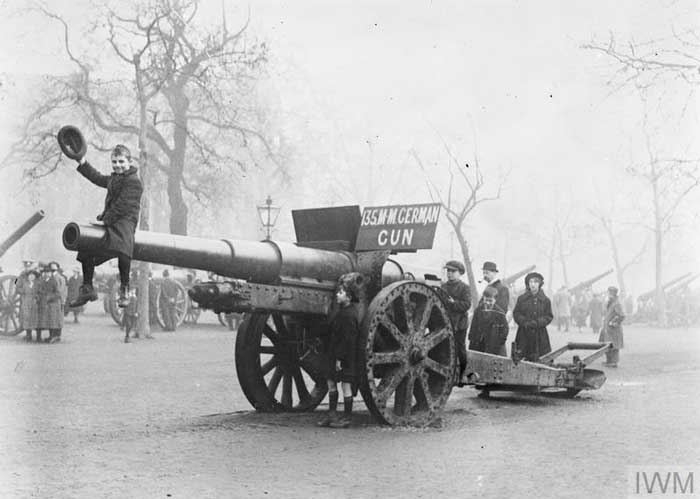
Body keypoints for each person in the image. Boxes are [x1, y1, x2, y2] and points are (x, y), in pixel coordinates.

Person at [69, 144, 143, 309]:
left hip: (125, 220)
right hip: (110, 220)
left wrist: (104, 221)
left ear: (129, 162)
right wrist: (82, 161)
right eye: (114, 162)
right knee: (86, 245)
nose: (117, 165)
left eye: (121, 162)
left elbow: (122, 206)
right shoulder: (114, 178)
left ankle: (125, 288)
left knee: (124, 246)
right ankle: (87, 288)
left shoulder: (134, 181)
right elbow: (97, 178)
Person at [317, 276, 361, 429]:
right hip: (334, 354)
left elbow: (348, 341)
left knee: (346, 387)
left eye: (340, 293)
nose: (337, 294)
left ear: (348, 297)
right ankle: (332, 414)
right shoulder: (341, 312)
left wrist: (340, 359)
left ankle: (347, 418)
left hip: (344, 357)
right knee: (331, 383)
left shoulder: (349, 315)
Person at [440, 260, 471, 385]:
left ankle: (462, 375)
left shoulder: (465, 288)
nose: (450, 274)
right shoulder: (443, 287)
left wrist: (453, 304)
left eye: (453, 271)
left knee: (460, 350)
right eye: (448, 271)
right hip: (446, 322)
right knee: (444, 349)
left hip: (459, 324)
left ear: (460, 273)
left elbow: (466, 305)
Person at [513, 272, 553, 362]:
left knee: (541, 360)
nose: (533, 284)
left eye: (535, 282)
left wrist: (538, 323)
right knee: (521, 359)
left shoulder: (546, 300)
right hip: (523, 334)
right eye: (530, 282)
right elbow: (516, 313)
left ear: (539, 284)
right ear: (528, 284)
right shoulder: (521, 299)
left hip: (540, 335)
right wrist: (524, 322)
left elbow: (548, 316)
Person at [468, 286, 509, 356]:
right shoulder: (478, 310)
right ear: (483, 298)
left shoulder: (500, 313)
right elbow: (473, 326)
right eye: (486, 300)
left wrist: (499, 342)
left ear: (495, 300)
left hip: (494, 345)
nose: (487, 303)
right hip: (479, 345)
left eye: (490, 301)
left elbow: (505, 329)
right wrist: (472, 339)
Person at [599, 286, 625, 367]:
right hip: (608, 329)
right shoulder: (611, 303)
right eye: (608, 293)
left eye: (610, 293)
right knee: (607, 345)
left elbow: (621, 315)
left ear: (613, 294)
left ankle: (613, 362)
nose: (608, 295)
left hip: (613, 329)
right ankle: (609, 361)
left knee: (614, 346)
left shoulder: (617, 303)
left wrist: (613, 323)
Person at [17, 269, 40, 342]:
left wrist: (37, 298)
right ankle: (28, 335)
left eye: (33, 276)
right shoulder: (23, 281)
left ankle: (38, 336)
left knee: (35, 319)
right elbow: (17, 287)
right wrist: (23, 292)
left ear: (35, 277)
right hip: (26, 302)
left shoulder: (38, 283)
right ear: (28, 276)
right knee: (27, 318)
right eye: (30, 275)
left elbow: (41, 292)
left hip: (34, 303)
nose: (31, 277)